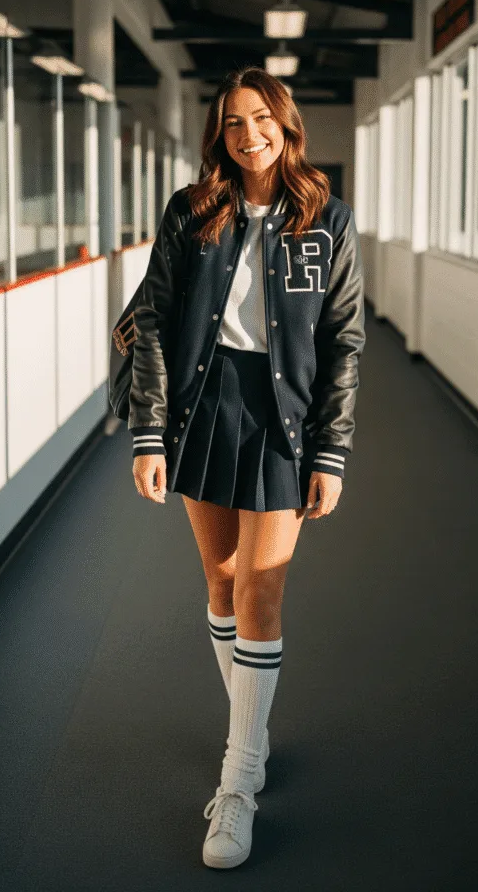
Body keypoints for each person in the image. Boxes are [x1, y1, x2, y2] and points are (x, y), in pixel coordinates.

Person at [128, 66, 366, 869]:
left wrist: (330, 449)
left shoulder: (325, 218)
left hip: (282, 421)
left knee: (263, 589)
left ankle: (238, 780)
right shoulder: (192, 210)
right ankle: (251, 733)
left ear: (285, 123)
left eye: (260, 118)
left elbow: (342, 342)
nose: (248, 134)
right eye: (233, 122)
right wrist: (148, 433)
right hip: (201, 407)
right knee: (223, 580)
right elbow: (153, 319)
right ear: (218, 134)